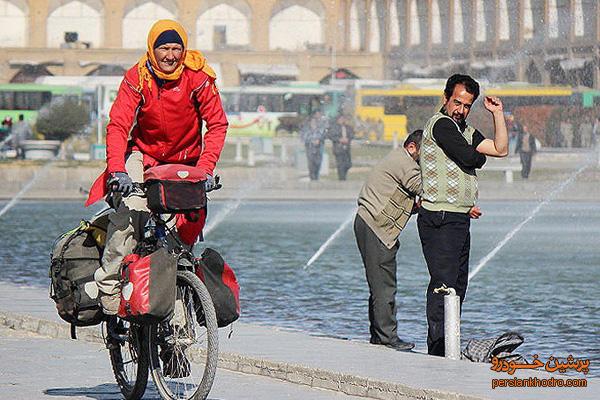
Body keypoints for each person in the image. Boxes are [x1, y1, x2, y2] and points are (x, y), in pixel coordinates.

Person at [85, 19, 228, 315]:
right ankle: (109, 282)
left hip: (186, 160)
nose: (170, 55)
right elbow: (118, 126)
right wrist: (118, 171)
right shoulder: (138, 77)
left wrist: (206, 168)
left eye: (177, 48)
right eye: (164, 47)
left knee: (187, 224)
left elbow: (217, 124)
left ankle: (175, 296)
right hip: (145, 156)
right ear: (153, 48)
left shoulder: (198, 76)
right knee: (130, 214)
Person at [418, 74, 507, 357]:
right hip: (440, 216)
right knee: (443, 284)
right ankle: (438, 349)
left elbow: (500, 149)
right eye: (457, 102)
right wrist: (477, 158)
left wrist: (497, 114)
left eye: (467, 105)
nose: (461, 109)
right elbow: (470, 158)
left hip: (458, 217)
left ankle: (449, 345)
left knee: (457, 285)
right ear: (445, 99)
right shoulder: (441, 124)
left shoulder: (464, 130)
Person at [354, 130, 423, 351]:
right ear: (412, 147)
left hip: (369, 224)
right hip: (376, 228)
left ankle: (378, 335)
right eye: (427, 154)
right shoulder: (404, 162)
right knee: (384, 285)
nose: (428, 160)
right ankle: (387, 337)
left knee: (378, 284)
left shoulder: (397, 159)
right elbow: (423, 187)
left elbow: (401, 198)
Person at [300, 111, 327, 181]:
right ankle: (312, 177)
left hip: (319, 147)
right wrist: (311, 141)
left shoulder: (320, 129)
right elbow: (303, 138)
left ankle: (316, 176)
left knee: (318, 162)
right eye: (312, 122)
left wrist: (319, 140)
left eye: (314, 122)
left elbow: (323, 136)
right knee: (311, 163)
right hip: (310, 148)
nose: (313, 123)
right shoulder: (306, 130)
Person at [328, 114, 354, 180]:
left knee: (348, 164)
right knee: (340, 165)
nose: (342, 120)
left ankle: (344, 175)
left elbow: (352, 134)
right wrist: (339, 139)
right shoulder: (334, 128)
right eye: (341, 119)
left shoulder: (348, 127)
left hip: (346, 149)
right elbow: (331, 136)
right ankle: (342, 178)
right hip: (338, 148)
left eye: (343, 119)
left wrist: (348, 139)